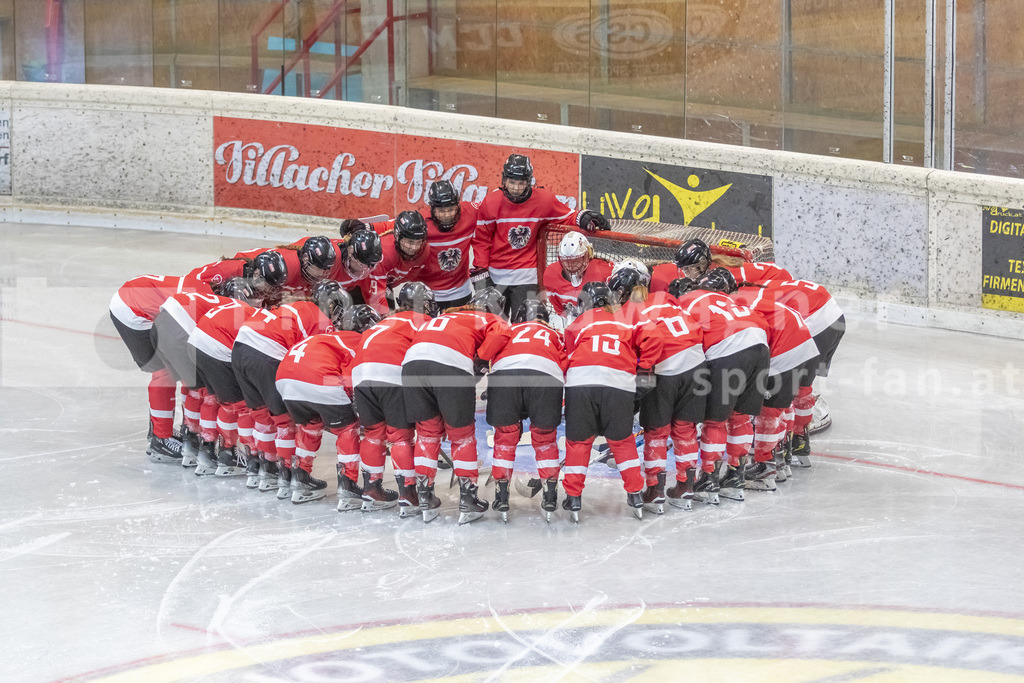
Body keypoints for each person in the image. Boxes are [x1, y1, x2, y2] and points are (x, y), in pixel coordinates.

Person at [401, 287, 511, 524]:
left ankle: (424, 497)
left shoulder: (444, 316)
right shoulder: (487, 316)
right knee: (462, 437)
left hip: (411, 365)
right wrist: (481, 359)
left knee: (427, 434)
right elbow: (502, 332)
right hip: (449, 364)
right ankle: (468, 500)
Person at [231, 280, 348, 497]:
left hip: (239, 349)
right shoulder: (320, 320)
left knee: (260, 415)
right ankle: (287, 476)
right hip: (267, 352)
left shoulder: (295, 308)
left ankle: (265, 470)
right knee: (285, 420)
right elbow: (310, 362)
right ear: (330, 305)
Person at [561, 281, 664, 521]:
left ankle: (573, 498)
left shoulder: (577, 322)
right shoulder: (628, 314)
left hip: (581, 382)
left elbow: (567, 356)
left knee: (578, 443)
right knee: (622, 442)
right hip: (619, 382)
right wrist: (645, 369)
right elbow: (654, 337)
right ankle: (636, 494)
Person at [607, 267, 706, 514]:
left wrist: (639, 375)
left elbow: (634, 350)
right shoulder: (666, 297)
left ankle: (655, 490)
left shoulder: (626, 312)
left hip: (665, 369)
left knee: (657, 432)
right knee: (684, 428)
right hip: (697, 362)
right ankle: (686, 486)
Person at [669, 274, 770, 507]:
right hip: (761, 347)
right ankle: (736, 477)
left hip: (728, 351)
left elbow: (686, 341)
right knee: (741, 417)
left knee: (715, 421)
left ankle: (710, 479)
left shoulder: (683, 303)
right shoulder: (727, 299)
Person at [472, 153, 610, 316]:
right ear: (504, 180)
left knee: (524, 327)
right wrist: (480, 270)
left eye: (521, 183)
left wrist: (584, 217)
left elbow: (566, 216)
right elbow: (482, 240)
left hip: (527, 277)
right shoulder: (490, 202)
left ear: (529, 182)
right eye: (512, 182)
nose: (516, 188)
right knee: (490, 325)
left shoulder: (543, 200)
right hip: (495, 276)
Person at [722, 269, 819, 494]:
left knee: (768, 410)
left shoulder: (733, 305)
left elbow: (757, 335)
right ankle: (781, 460)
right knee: (783, 405)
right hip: (806, 345)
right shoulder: (748, 294)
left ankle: (765, 468)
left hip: (786, 348)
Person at [275, 304, 380, 506]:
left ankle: (300, 477)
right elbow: (351, 378)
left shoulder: (327, 337)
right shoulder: (359, 341)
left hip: (284, 379)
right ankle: (347, 485)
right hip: (316, 377)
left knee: (309, 426)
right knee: (347, 429)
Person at [352, 282, 439, 517]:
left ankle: (371, 489)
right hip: (390, 373)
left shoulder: (384, 322)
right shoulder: (423, 321)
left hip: (360, 375)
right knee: (400, 437)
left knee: (373, 434)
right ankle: (408, 494)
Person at [108, 272, 211, 462]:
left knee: (171, 368)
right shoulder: (204, 301)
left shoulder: (203, 288)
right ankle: (160, 439)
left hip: (131, 301)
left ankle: (156, 431)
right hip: (135, 311)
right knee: (165, 372)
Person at [485, 299, 567, 522]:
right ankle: (550, 496)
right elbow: (565, 363)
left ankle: (501, 496)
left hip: (504, 377)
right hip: (546, 378)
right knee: (545, 439)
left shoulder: (508, 329)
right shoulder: (555, 334)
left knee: (504, 439)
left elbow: (489, 355)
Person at [187, 278, 263, 482]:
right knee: (241, 406)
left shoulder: (223, 307)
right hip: (216, 348)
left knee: (211, 398)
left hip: (194, 344)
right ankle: (245, 456)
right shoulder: (251, 313)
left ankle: (207, 449)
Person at [419, 179, 479, 310]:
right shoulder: (420, 222)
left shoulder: (470, 213)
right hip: (427, 295)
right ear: (431, 208)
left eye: (451, 209)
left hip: (461, 292)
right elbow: (391, 226)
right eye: (441, 210)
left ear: (458, 205)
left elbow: (494, 206)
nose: (446, 215)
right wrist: (369, 225)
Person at [541, 231, 613, 328]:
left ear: (588, 255)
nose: (572, 265)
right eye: (567, 261)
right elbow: (560, 310)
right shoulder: (551, 275)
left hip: (600, 323)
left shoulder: (604, 271)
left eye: (576, 260)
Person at [365, 210, 430, 313]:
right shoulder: (383, 253)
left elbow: (410, 274)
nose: (414, 247)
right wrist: (387, 318)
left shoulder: (423, 251)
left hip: (384, 283)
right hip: (362, 283)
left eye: (418, 242)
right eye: (410, 242)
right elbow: (375, 298)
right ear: (398, 236)